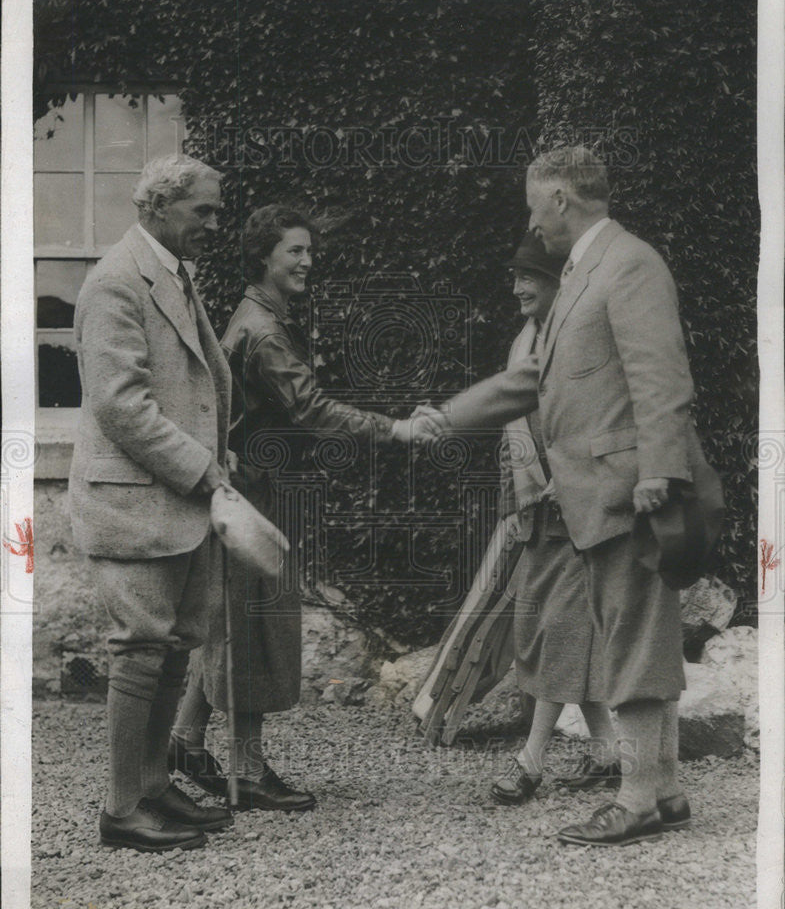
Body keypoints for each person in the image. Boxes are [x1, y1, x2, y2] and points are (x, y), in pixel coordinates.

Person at [436, 145, 707, 846]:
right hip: (598, 492)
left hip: (628, 492)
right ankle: (667, 791)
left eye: (533, 207)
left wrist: (659, 474)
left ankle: (638, 800)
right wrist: (442, 418)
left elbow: (662, 376)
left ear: (559, 198)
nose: (532, 223)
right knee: (636, 639)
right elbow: (532, 382)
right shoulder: (585, 269)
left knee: (633, 644)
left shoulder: (629, 262)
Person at [170, 203, 440, 811]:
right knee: (255, 628)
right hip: (255, 493)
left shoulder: (255, 314)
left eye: (310, 250)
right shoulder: (264, 330)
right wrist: (396, 430)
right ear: (264, 256)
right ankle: (248, 771)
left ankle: (185, 740)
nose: (308, 260)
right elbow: (313, 409)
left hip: (247, 489)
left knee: (233, 621)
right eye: (295, 250)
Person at [69, 154, 234, 852]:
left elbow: (191, 390)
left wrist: (216, 459)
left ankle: (152, 787)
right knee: (140, 651)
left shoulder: (172, 274)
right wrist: (204, 469)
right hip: (135, 501)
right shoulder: (114, 280)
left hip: (178, 498)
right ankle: (120, 809)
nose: (214, 224)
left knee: (173, 650)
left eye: (218, 211)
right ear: (158, 207)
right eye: (204, 210)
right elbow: (121, 405)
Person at [488, 233, 619, 806]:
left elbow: (596, 421)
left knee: (561, 631)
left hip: (578, 505)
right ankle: (611, 753)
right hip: (538, 507)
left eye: (529, 279)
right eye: (515, 278)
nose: (517, 288)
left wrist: (573, 483)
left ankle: (530, 762)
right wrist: (519, 499)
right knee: (551, 629)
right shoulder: (526, 341)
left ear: (556, 284)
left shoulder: (577, 340)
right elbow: (511, 426)